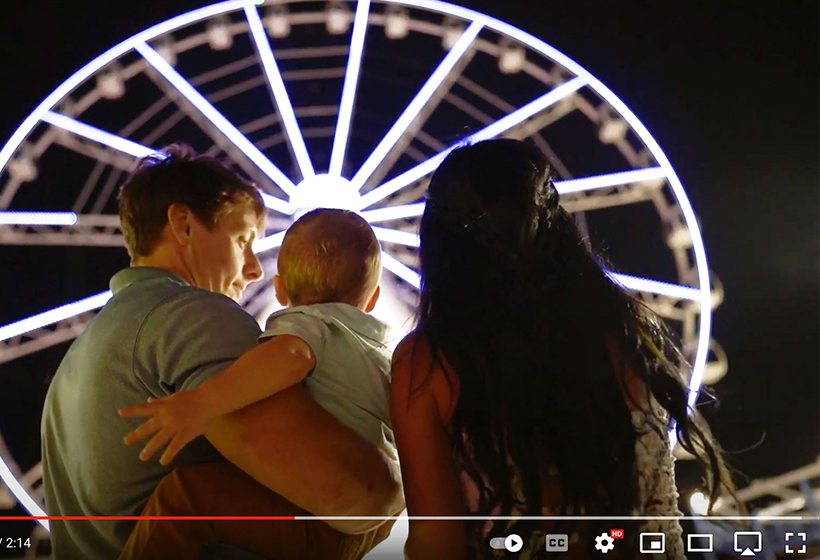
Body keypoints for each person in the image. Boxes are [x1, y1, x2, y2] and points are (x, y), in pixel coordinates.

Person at [40, 145, 402, 560]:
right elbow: (355, 493)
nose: (255, 270)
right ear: (183, 224)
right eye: (243, 240)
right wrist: (407, 476)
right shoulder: (194, 320)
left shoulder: (75, 365)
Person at [389, 139, 738, 559]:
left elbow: (436, 545)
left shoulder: (428, 363)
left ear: (440, 242)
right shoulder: (625, 331)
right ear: (555, 222)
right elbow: (659, 521)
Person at [117, 208, 399, 560]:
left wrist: (200, 403)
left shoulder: (308, 324)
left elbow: (291, 357)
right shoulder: (383, 350)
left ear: (279, 290)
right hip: (374, 526)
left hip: (320, 522)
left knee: (183, 497)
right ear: (372, 300)